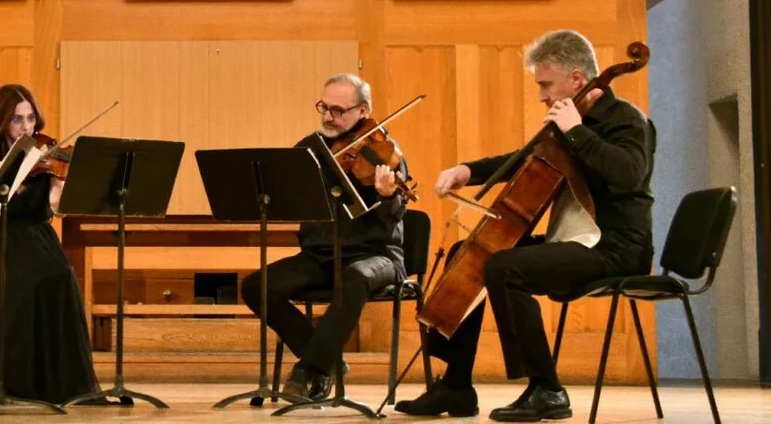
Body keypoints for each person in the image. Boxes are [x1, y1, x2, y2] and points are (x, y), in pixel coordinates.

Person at [395, 30, 656, 422]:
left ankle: (547, 389)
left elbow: (630, 175)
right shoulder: (571, 123)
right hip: (578, 240)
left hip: (618, 247)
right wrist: (467, 170)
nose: (541, 95)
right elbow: (523, 159)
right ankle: (456, 386)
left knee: (504, 267)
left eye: (545, 84)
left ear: (576, 79)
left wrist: (577, 132)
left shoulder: (627, 121)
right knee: (468, 254)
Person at [240, 73, 410, 401]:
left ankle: (311, 371)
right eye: (324, 107)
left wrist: (389, 195)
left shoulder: (383, 152)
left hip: (377, 255)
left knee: (354, 276)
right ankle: (328, 358)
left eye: (338, 110)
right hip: (320, 256)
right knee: (256, 286)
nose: (328, 117)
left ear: (363, 111)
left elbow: (398, 212)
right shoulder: (309, 149)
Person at [0, 84, 99, 405]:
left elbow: (54, 206)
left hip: (37, 239)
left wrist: (65, 186)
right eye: (16, 120)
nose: (26, 127)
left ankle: (58, 383)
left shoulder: (46, 160)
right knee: (22, 282)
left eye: (30, 119)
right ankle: (14, 383)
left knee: (61, 276)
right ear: (2, 122)